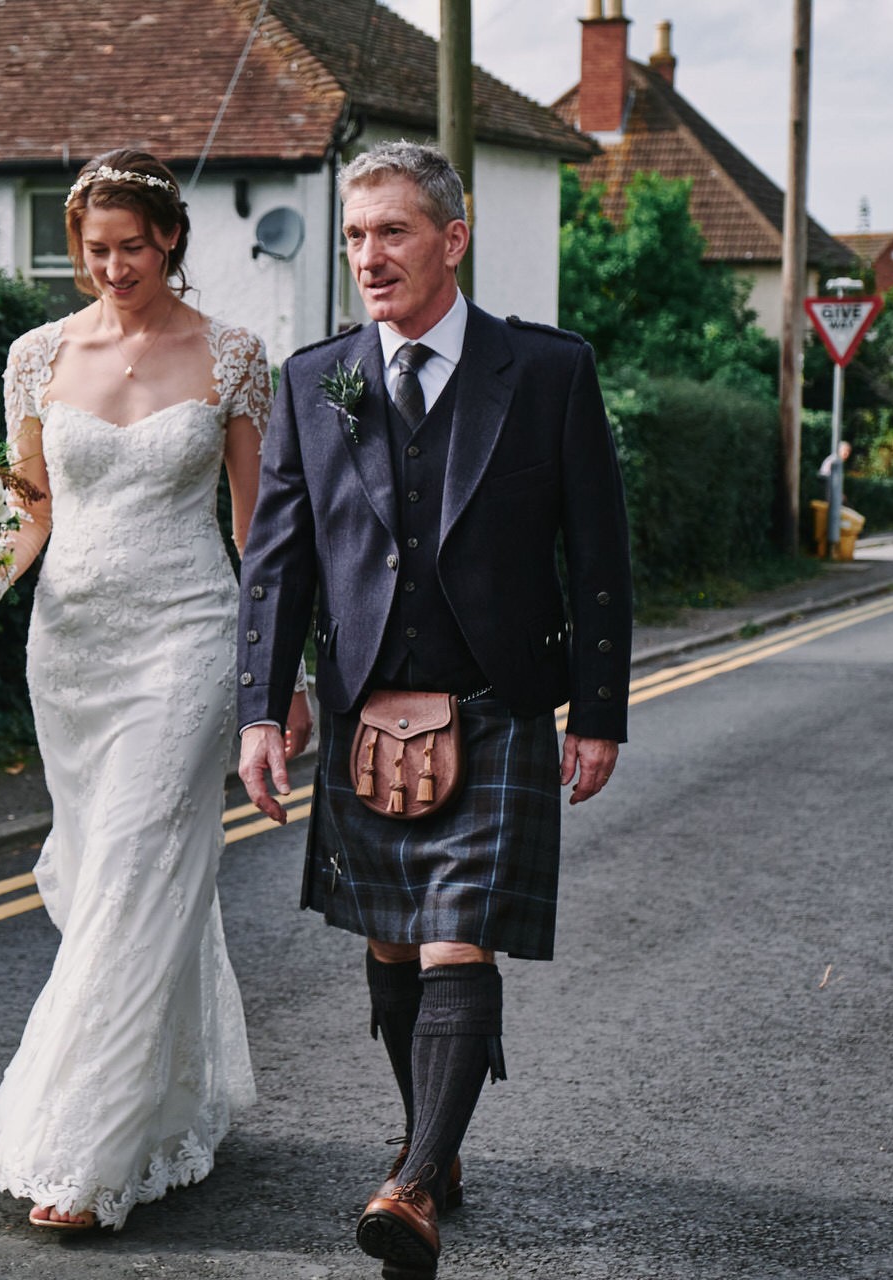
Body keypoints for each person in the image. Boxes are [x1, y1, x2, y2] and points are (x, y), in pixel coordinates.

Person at [235, 141, 632, 1279]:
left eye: (393, 232)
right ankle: (434, 1140)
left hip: (497, 701)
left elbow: (598, 553)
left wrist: (597, 709)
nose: (369, 256)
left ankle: (411, 1185)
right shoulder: (315, 379)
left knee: (458, 932)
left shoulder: (546, 371)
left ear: (453, 239)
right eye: (355, 236)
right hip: (366, 711)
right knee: (392, 937)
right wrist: (263, 707)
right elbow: (278, 560)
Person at [0, 149, 311, 1230]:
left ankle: (88, 1155)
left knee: (132, 868)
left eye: (131, 247)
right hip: (71, 650)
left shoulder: (235, 356)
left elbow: (259, 534)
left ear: (169, 239)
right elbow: (28, 513)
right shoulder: (35, 356)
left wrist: (284, 675)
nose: (112, 267)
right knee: (105, 882)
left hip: (187, 639)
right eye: (95, 249)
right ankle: (164, 1103)